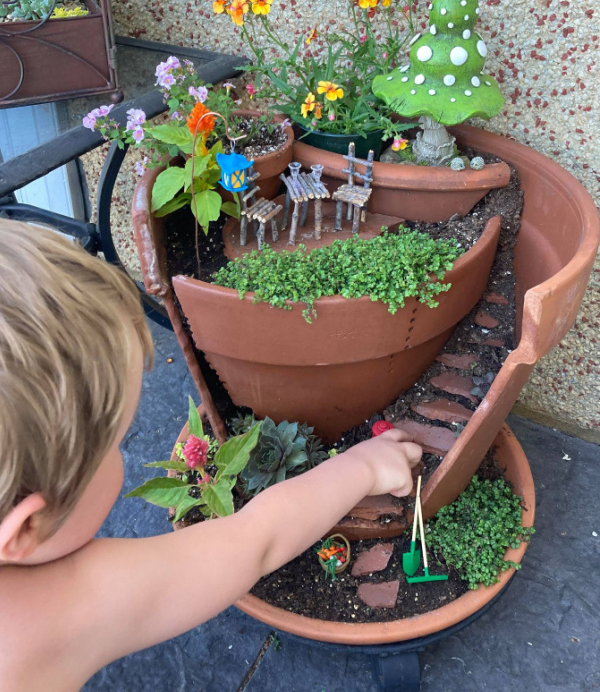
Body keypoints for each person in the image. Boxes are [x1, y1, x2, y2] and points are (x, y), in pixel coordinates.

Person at [0, 218, 422, 691]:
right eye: (115, 446)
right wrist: (361, 467)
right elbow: (254, 539)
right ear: (24, 528)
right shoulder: (49, 616)